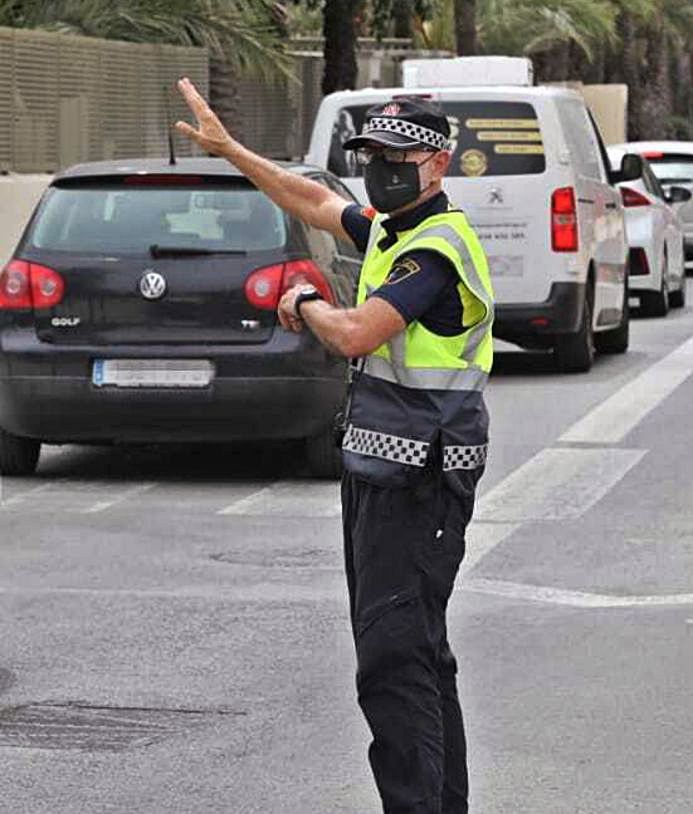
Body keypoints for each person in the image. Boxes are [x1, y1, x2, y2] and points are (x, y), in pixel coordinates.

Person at [176, 77, 494, 814]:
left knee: (392, 661)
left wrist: (305, 300)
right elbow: (311, 200)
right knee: (417, 654)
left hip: (422, 482)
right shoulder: (392, 228)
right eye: (373, 154)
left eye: (399, 156)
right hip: (385, 472)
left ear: (438, 164)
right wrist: (231, 152)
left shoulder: (436, 247)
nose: (382, 166)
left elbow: (356, 333)